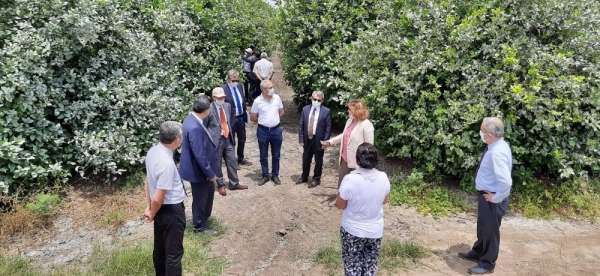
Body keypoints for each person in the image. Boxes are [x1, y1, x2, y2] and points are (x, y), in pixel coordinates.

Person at [458, 117, 512, 275]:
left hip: (492, 199)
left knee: (490, 231)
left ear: (489, 134)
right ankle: (478, 251)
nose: (480, 133)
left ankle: (487, 263)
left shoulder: (497, 152)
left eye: (482, 131)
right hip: (487, 196)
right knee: (483, 227)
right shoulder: (497, 144)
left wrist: (495, 198)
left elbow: (506, 182)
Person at [335, 143, 390, 276]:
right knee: (370, 267)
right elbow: (385, 200)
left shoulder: (350, 179)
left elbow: (340, 205)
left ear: (357, 160)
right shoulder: (383, 177)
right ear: (376, 160)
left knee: (352, 267)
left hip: (352, 230)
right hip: (375, 230)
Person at [143, 121, 187, 276]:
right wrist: (152, 211)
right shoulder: (167, 163)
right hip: (171, 211)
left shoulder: (153, 151)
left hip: (160, 210)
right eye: (181, 136)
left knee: (160, 250)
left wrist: (150, 208)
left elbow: (148, 182)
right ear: (176, 139)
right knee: (174, 254)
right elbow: (159, 196)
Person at [179, 95, 226, 233]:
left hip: (198, 169)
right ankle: (200, 227)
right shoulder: (194, 127)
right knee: (201, 199)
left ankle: (203, 220)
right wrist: (211, 174)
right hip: (198, 171)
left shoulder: (190, 119)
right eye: (210, 109)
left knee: (206, 195)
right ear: (205, 110)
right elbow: (199, 154)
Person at [322, 99, 374, 186]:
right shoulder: (350, 120)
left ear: (356, 111)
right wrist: (330, 142)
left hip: (357, 164)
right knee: (342, 186)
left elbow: (369, 147)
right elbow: (344, 135)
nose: (347, 111)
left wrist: (364, 165)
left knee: (354, 188)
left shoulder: (366, 125)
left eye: (349, 109)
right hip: (345, 160)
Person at [208, 87, 248, 191]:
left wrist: (228, 130)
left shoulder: (228, 106)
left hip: (228, 138)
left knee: (232, 161)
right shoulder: (208, 109)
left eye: (223, 97)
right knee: (217, 163)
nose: (222, 99)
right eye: (219, 97)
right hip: (216, 141)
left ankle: (234, 183)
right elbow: (205, 127)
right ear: (213, 98)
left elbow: (230, 120)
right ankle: (221, 185)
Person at [250, 80, 284, 186]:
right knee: (263, 155)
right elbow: (253, 117)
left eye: (272, 87)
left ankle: (275, 175)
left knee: (276, 154)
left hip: (276, 130)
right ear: (263, 89)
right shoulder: (257, 101)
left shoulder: (277, 98)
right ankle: (265, 175)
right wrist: (264, 121)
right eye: (270, 87)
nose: (272, 89)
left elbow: (281, 111)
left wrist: (273, 119)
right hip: (263, 130)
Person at [297, 91, 332, 188]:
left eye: (318, 100)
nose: (316, 101)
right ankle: (304, 176)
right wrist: (301, 139)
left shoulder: (326, 111)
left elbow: (328, 128)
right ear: (311, 98)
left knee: (318, 160)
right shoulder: (305, 109)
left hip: (319, 140)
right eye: (314, 99)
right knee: (306, 158)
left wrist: (325, 141)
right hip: (307, 138)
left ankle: (316, 178)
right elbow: (301, 125)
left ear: (322, 100)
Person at [222, 69, 252, 166]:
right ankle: (232, 161)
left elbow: (243, 100)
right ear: (228, 79)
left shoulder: (240, 86)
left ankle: (240, 158)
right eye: (233, 80)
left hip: (241, 117)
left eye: (237, 80)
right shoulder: (224, 89)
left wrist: (245, 112)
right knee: (231, 141)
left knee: (242, 138)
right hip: (230, 119)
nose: (235, 82)